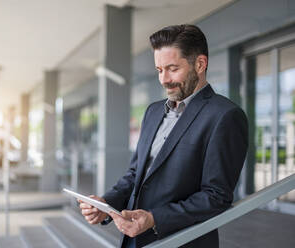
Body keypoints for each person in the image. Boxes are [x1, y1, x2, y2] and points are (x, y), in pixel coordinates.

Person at [79, 24, 248, 248]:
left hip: (182, 242)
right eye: (159, 70)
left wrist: (154, 218)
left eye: (172, 68)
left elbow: (216, 196)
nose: (164, 79)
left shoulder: (225, 116)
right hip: (133, 240)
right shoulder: (153, 111)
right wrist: (106, 205)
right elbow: (135, 174)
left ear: (200, 64)